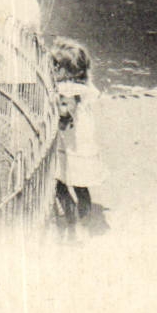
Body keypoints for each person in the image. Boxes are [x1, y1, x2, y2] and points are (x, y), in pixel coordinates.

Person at [51, 37, 105, 228]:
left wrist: (57, 111)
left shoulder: (68, 89)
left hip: (71, 141)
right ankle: (85, 215)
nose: (53, 70)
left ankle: (72, 218)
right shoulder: (85, 86)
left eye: (56, 66)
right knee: (80, 184)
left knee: (60, 180)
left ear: (66, 69)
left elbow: (66, 113)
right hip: (82, 140)